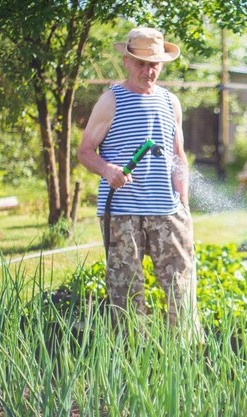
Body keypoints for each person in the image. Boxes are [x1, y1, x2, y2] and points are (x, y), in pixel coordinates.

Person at [78, 27, 201, 339]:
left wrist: (183, 205)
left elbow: (178, 156)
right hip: (122, 213)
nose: (148, 70)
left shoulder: (171, 102)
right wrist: (108, 170)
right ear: (126, 62)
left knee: (181, 287)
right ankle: (133, 356)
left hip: (167, 211)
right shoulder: (110, 100)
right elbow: (85, 151)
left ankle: (184, 357)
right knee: (126, 290)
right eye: (141, 64)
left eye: (154, 64)